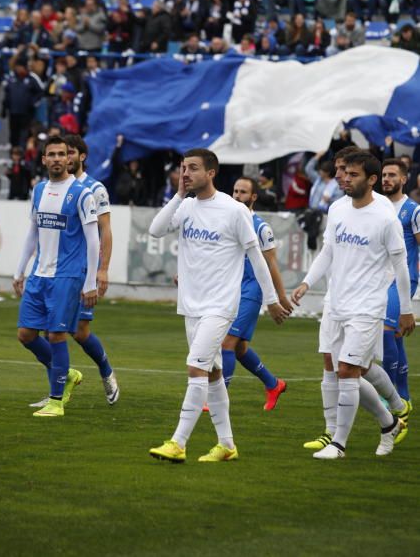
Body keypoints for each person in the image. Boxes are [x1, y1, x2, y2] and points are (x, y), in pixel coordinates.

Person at [148, 149, 289, 463]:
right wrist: (178, 195)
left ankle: (178, 442)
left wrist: (272, 300)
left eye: (193, 168)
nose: (186, 173)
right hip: (190, 306)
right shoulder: (185, 207)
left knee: (196, 366)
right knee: (212, 374)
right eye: (184, 168)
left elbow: (257, 257)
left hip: (221, 306)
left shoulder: (233, 210)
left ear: (211, 172)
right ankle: (227, 445)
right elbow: (156, 229)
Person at [293, 151, 415, 459]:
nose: (344, 178)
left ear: (371, 180)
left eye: (353, 174)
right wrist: (307, 282)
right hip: (336, 301)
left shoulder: (385, 217)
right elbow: (328, 251)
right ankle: (390, 422)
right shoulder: (337, 208)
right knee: (339, 369)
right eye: (343, 173)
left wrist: (405, 308)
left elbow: (401, 266)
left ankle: (338, 443)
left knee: (349, 370)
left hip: (368, 304)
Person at [13, 136, 100, 418]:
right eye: (51, 154)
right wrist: (19, 270)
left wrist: (90, 282)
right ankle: (68, 374)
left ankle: (56, 400)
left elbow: (93, 240)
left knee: (56, 334)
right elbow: (32, 233)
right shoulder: (38, 190)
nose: (57, 159)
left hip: (67, 275)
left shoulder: (82, 193)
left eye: (62, 154)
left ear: (69, 158)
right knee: (26, 334)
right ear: (43, 159)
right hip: (39, 273)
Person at [30, 135, 119, 409]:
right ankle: (58, 389)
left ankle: (106, 370)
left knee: (79, 332)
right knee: (47, 333)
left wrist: (101, 271)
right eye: (60, 153)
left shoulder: (94, 189)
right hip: (53, 272)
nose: (64, 158)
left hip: (79, 272)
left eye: (69, 152)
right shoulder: (48, 187)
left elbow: (104, 231)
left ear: (81, 156)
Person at [221, 177, 292, 407]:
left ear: (253, 197)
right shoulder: (227, 221)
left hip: (252, 291)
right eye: (234, 190)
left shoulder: (261, 228)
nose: (237, 195)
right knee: (240, 349)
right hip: (230, 288)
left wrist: (280, 297)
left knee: (226, 343)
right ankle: (273, 384)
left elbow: (271, 264)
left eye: (242, 192)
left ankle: (217, 398)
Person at [381, 159, 420, 407]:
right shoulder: (378, 207)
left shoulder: (413, 210)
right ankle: (404, 396)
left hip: (404, 278)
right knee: (395, 336)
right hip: (381, 279)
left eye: (392, 175)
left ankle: (388, 396)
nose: (387, 179)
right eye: (384, 174)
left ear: (404, 179)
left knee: (385, 332)